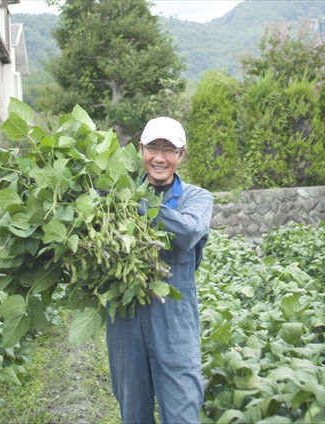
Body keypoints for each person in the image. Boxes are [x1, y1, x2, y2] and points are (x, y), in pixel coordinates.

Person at [106, 117, 214, 424]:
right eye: (153, 147)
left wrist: (132, 202)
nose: (159, 157)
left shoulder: (197, 197)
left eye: (169, 149)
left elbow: (187, 232)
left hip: (174, 323)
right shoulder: (114, 197)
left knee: (182, 412)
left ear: (182, 155)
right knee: (134, 414)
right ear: (140, 149)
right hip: (125, 320)